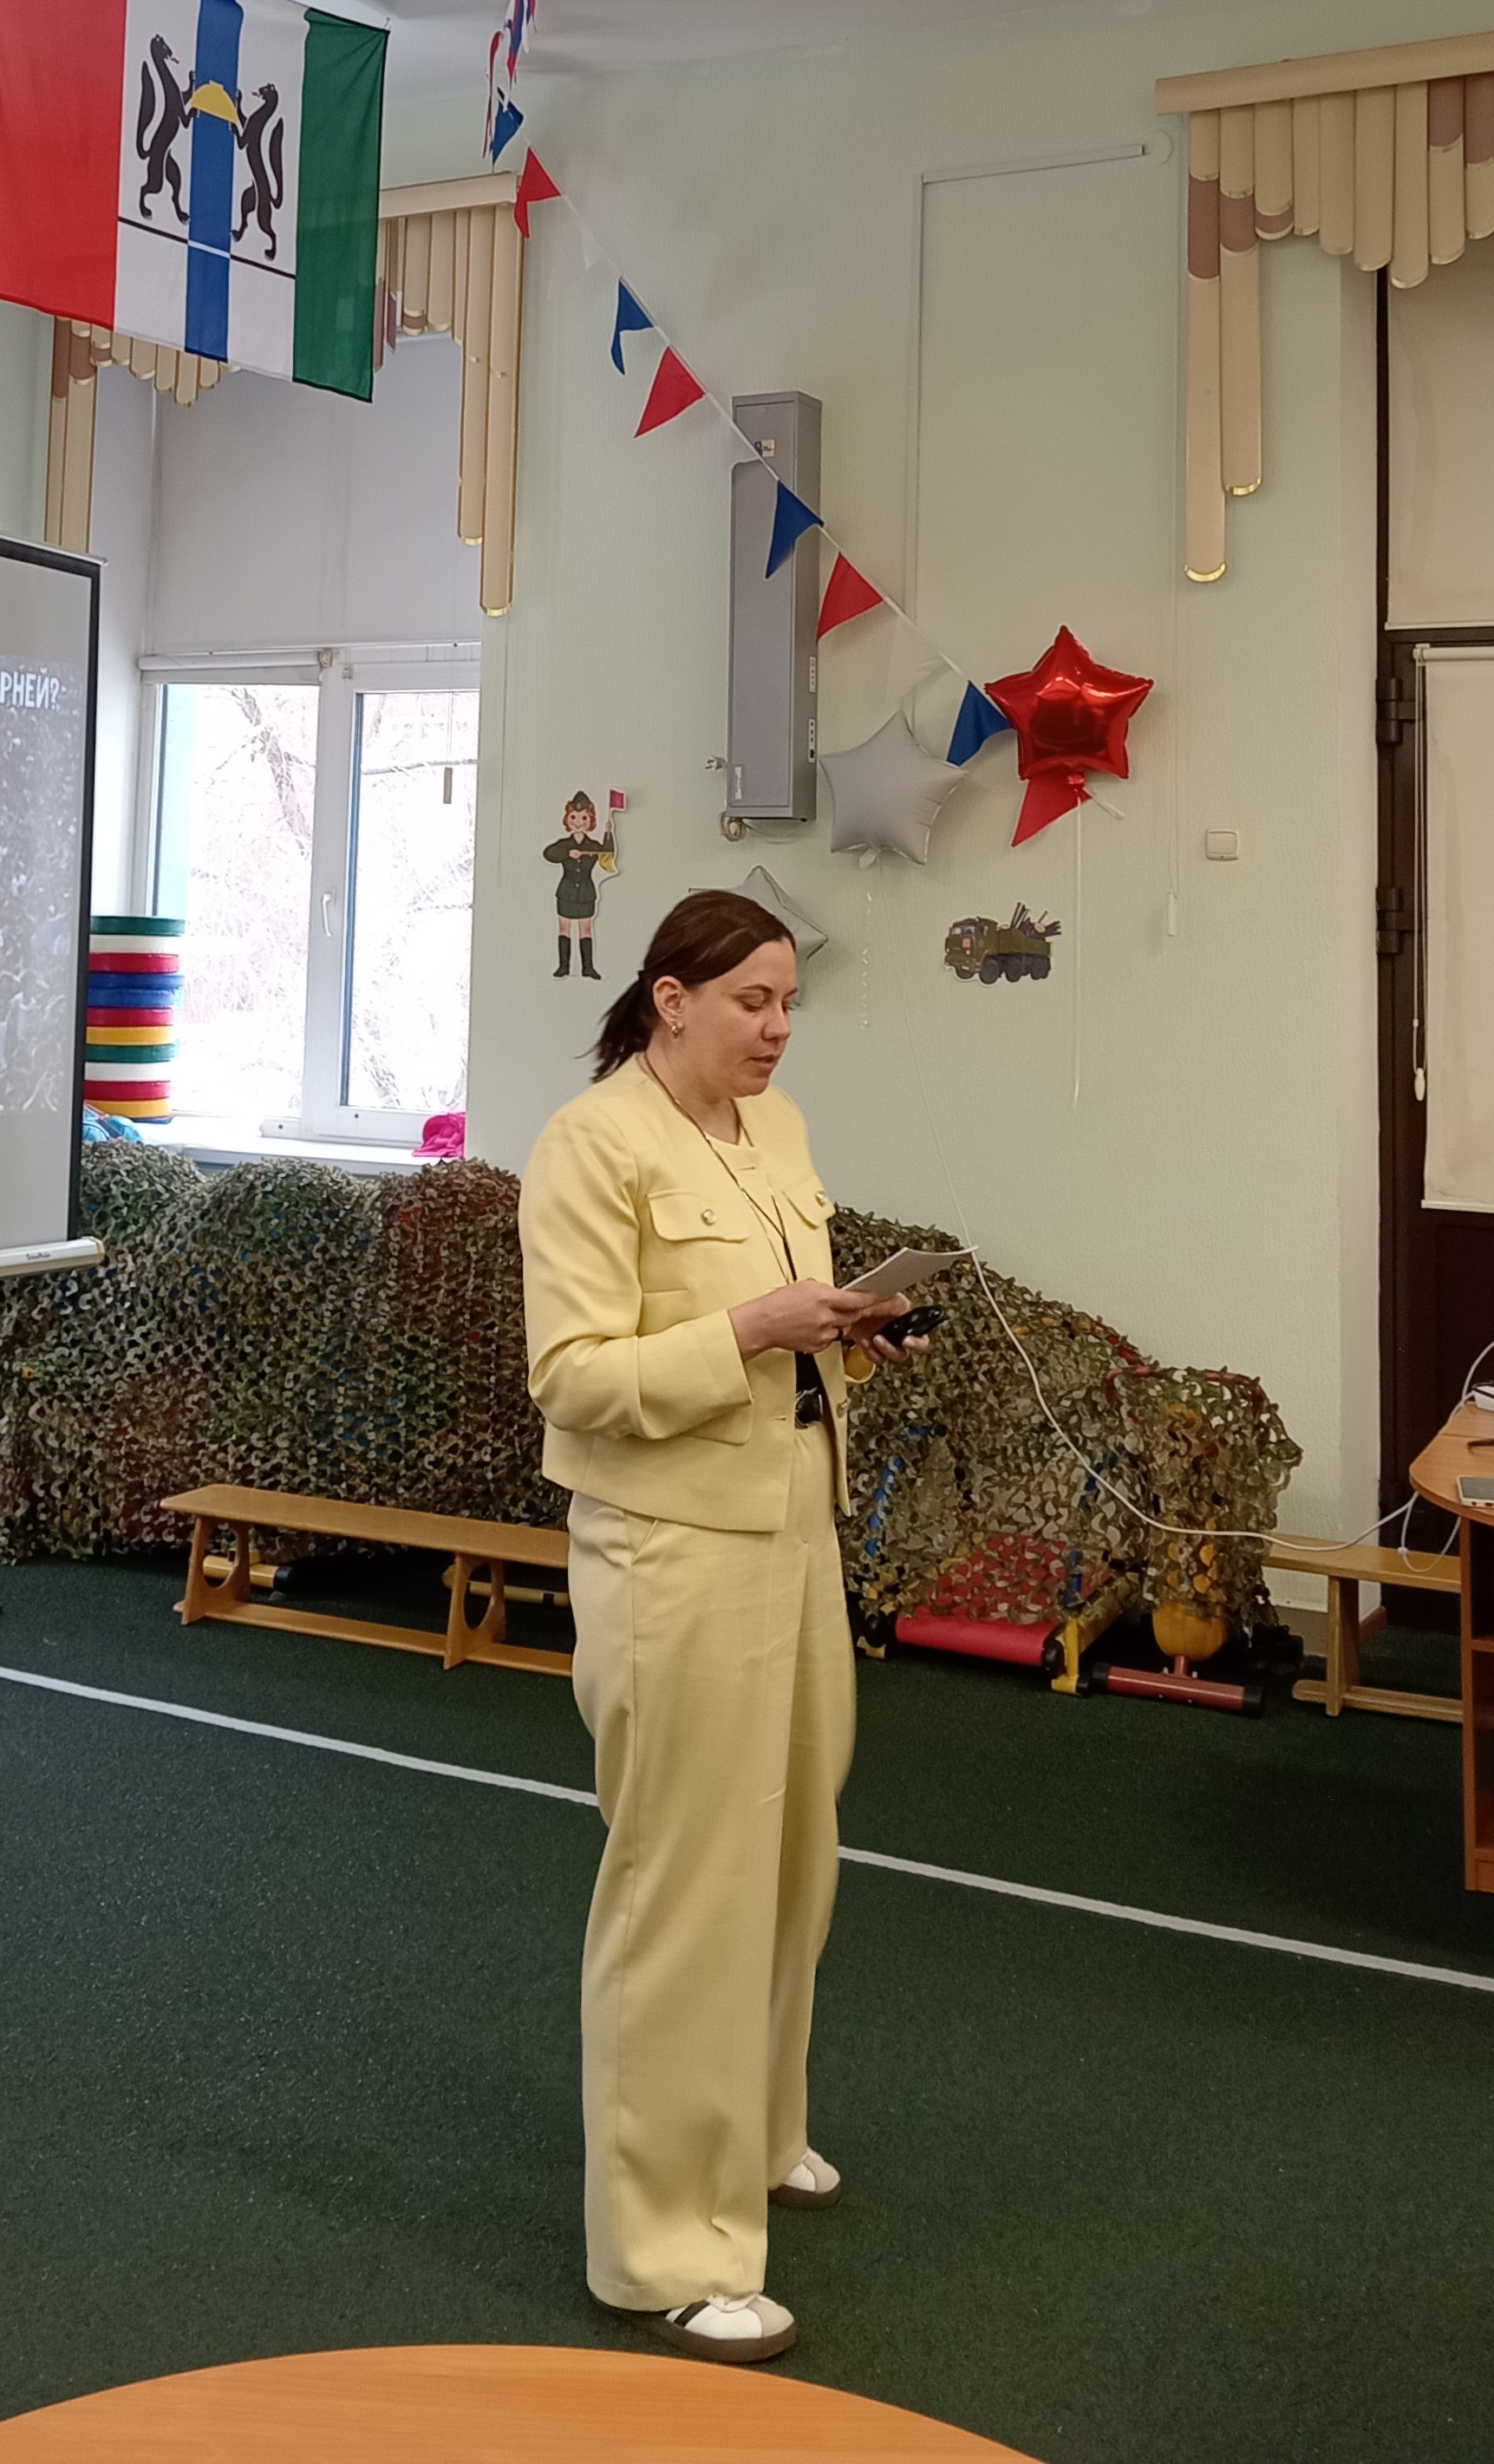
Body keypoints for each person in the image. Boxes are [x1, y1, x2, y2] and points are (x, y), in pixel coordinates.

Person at [518, 888, 928, 2367]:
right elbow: (572, 1376)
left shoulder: (780, 1131)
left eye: (788, 1003)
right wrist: (753, 1330)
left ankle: (749, 2132)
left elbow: (787, 1338)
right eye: (752, 1000)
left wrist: (849, 1332)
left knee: (794, 1852)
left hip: (792, 1532)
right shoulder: (590, 1145)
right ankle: (664, 2250)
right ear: (670, 999)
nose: (776, 1028)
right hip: (671, 1554)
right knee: (684, 1886)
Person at [545, 790, 607, 981]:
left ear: (590, 820)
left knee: (585, 929)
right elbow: (549, 853)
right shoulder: (564, 844)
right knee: (564, 929)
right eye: (574, 817)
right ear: (567, 819)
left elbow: (608, 853)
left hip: (586, 892)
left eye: (584, 818)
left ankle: (588, 967)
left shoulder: (592, 845)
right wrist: (567, 854)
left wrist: (609, 833)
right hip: (567, 891)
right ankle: (564, 966)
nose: (578, 822)